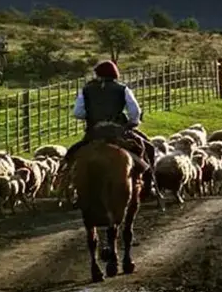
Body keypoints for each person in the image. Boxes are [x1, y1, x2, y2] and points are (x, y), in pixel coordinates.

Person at [63, 61, 158, 197]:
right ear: (115, 74)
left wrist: (91, 116)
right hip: (117, 132)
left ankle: (71, 185)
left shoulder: (86, 89)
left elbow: (78, 113)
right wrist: (132, 123)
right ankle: (146, 187)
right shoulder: (122, 88)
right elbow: (135, 111)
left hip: (94, 132)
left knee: (71, 154)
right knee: (148, 148)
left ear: (97, 74)